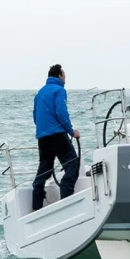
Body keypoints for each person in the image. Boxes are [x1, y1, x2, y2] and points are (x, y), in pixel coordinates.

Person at [32, 64, 80, 211]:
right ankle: (66, 203)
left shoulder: (40, 93)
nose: (65, 77)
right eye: (64, 75)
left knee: (45, 170)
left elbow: (35, 116)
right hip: (58, 135)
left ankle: (36, 205)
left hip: (43, 137)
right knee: (72, 165)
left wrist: (44, 130)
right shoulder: (59, 90)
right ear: (59, 76)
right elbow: (61, 113)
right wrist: (72, 132)